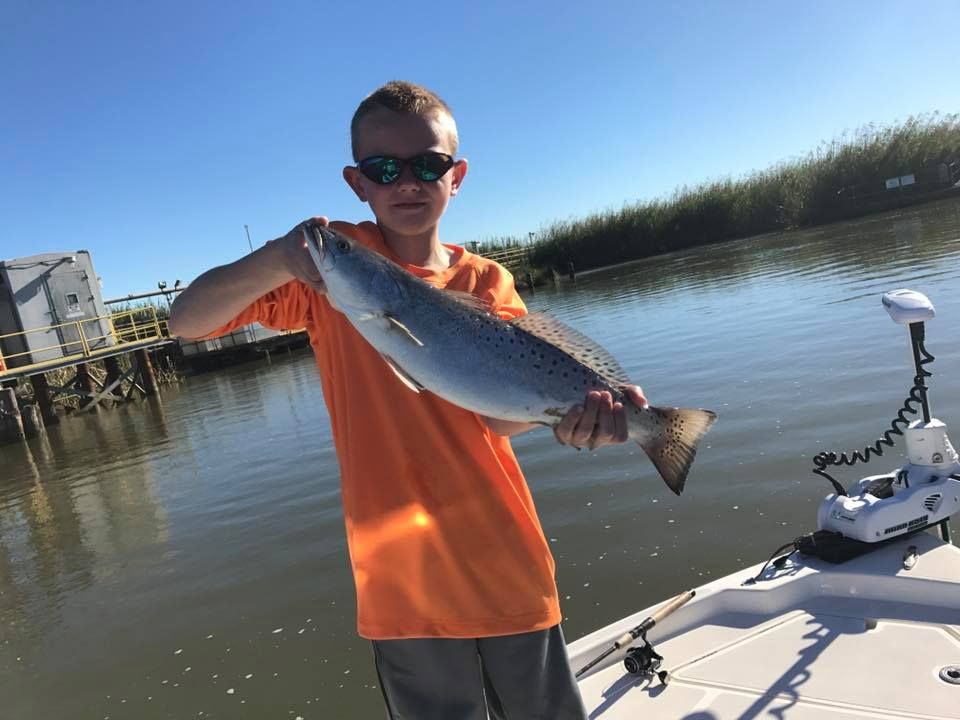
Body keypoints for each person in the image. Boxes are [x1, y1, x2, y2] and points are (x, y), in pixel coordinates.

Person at [169, 80, 646, 720]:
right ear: (357, 182)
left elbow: (500, 418)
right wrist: (281, 255)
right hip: (400, 579)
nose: (407, 182)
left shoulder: (487, 281)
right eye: (384, 168)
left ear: (458, 175)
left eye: (428, 164)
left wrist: (576, 421)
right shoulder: (326, 274)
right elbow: (187, 322)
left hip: (506, 558)